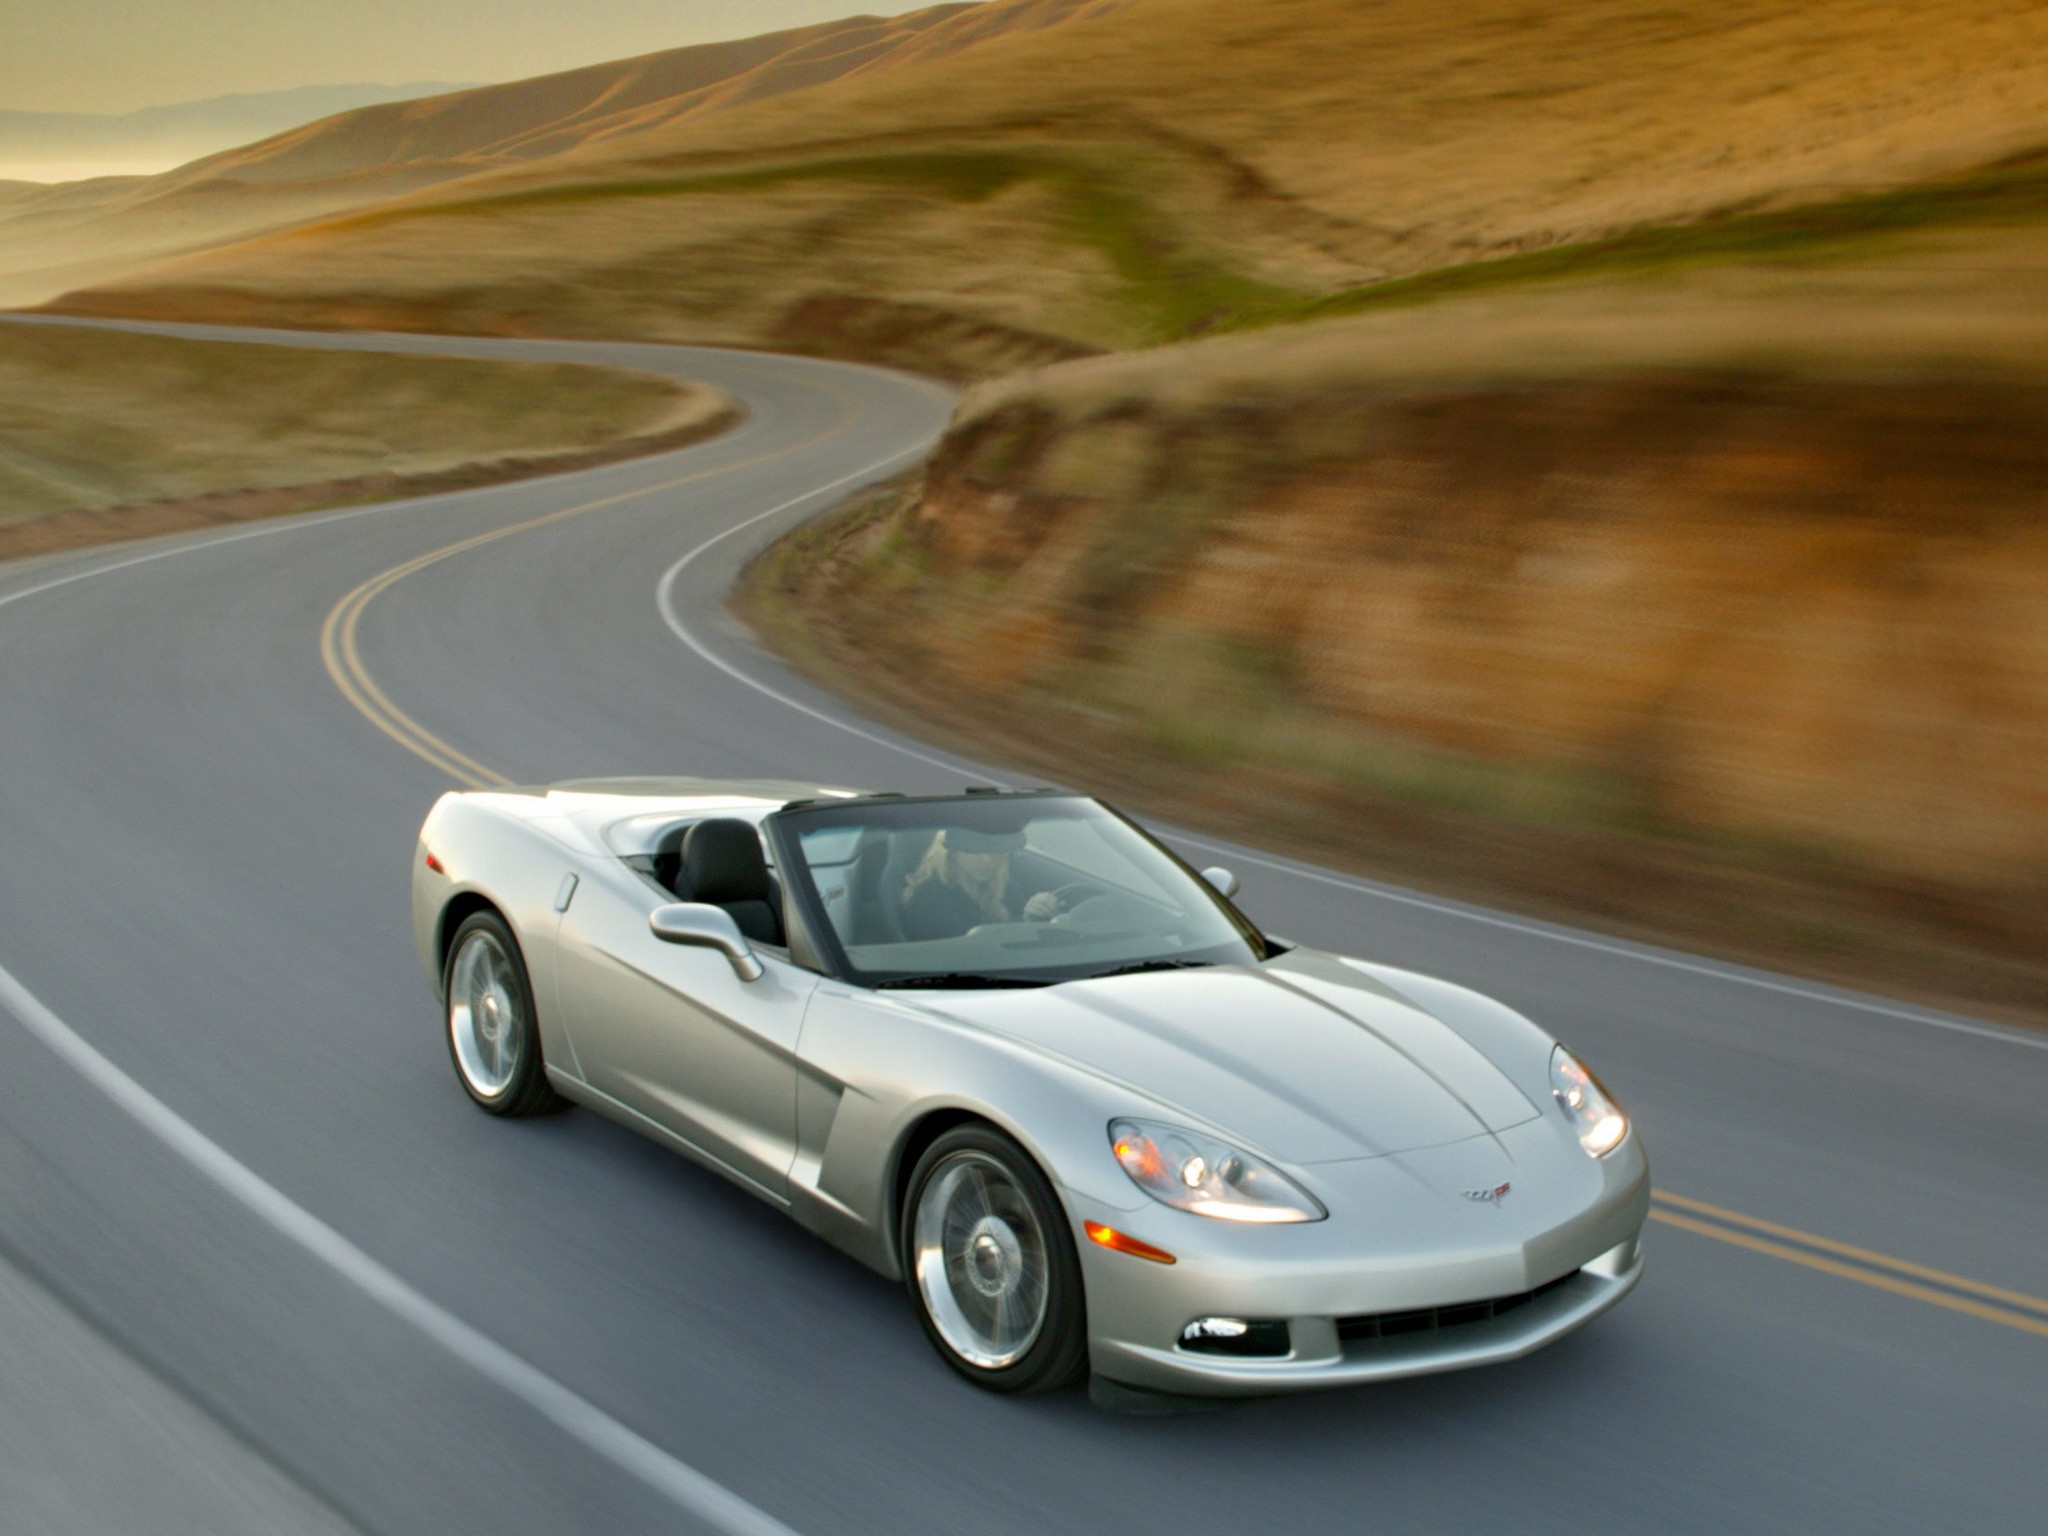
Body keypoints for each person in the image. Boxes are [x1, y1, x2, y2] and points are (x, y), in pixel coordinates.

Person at [898, 825, 1060, 941]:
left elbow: (1026, 921)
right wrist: (1022, 922)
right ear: (953, 852)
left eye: (992, 849)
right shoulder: (929, 896)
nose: (987, 859)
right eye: (975, 850)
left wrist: (1039, 911)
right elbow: (967, 947)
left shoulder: (1004, 886)